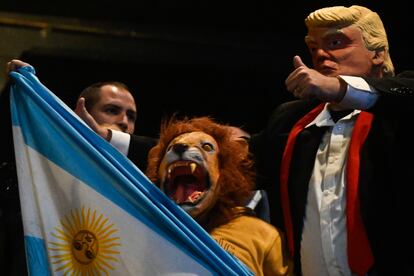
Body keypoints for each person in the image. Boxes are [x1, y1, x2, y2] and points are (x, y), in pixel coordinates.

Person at [250, 5, 414, 276]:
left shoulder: (400, 112)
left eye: (336, 42)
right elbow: (232, 159)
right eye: (314, 47)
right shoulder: (291, 122)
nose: (321, 54)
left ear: (378, 53)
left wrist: (341, 88)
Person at [145, 116, 291, 275]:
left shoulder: (261, 235)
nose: (181, 147)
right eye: (170, 148)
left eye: (207, 147)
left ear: (224, 173)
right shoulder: (142, 230)